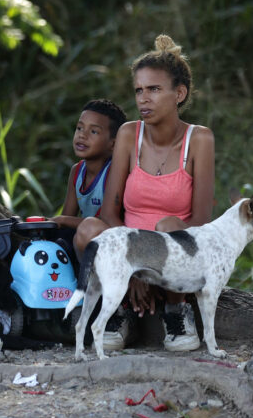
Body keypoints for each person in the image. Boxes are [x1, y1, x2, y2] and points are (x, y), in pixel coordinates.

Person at [73, 34, 215, 352]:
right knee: (89, 230)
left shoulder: (200, 140)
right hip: (129, 250)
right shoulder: (128, 134)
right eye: (139, 90)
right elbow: (110, 212)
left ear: (179, 93)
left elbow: (201, 223)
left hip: (177, 254)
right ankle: (119, 309)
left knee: (170, 226)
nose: (143, 99)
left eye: (153, 89)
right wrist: (133, 268)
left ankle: (176, 312)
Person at [51, 99, 127, 230]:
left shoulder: (113, 172)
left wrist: (62, 220)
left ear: (114, 144)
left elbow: (105, 222)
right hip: (83, 239)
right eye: (80, 128)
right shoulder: (77, 172)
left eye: (94, 131)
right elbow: (65, 223)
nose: (82, 135)